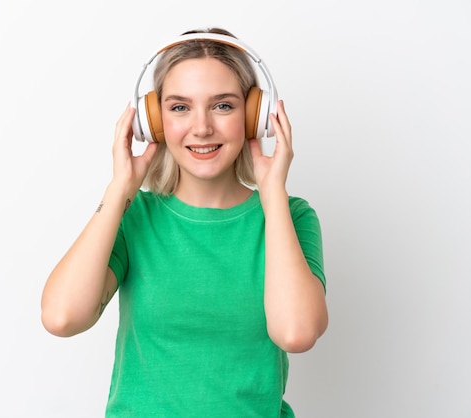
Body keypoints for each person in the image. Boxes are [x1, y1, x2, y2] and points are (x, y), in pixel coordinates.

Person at [41, 27, 328, 417]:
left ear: (254, 117)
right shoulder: (133, 215)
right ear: (153, 122)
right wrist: (122, 185)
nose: (202, 127)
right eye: (179, 107)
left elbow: (296, 333)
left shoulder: (291, 216)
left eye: (223, 106)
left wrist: (272, 191)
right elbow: (62, 317)